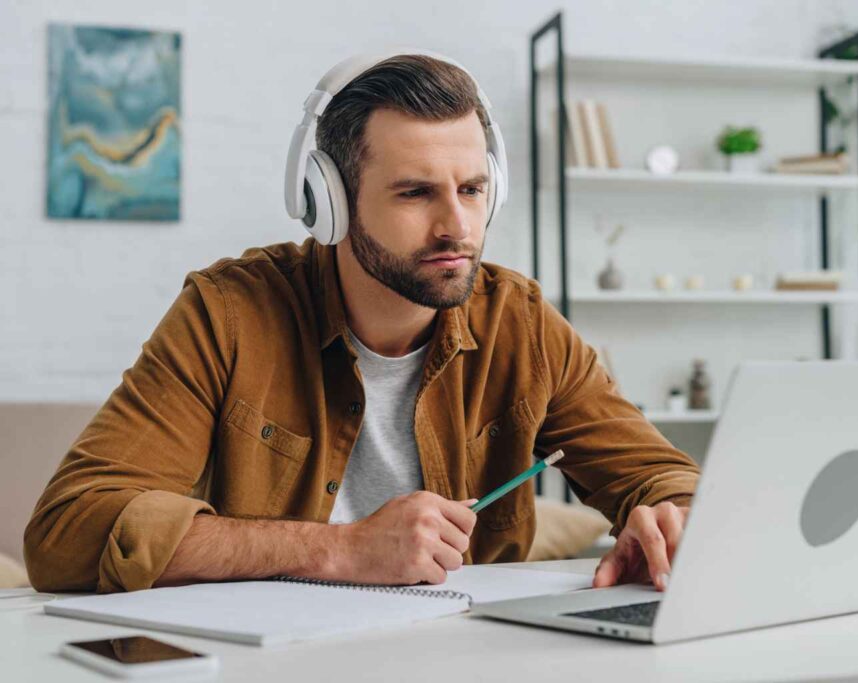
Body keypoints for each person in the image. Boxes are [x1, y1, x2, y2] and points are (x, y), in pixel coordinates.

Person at [24, 51, 700, 595]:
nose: (457, 227)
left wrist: (672, 517)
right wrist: (341, 549)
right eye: (415, 192)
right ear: (328, 201)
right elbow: (68, 529)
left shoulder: (518, 319)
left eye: (471, 190)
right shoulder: (227, 313)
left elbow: (661, 477)